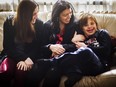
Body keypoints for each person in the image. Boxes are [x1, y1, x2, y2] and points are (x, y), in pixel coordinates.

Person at [3, 0, 44, 87]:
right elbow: (7, 47)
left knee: (21, 71)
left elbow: (37, 48)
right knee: (6, 71)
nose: (36, 16)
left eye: (37, 13)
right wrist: (23, 58)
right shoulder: (10, 23)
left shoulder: (39, 24)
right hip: (12, 56)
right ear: (25, 15)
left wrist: (27, 59)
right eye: (34, 14)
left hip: (29, 57)